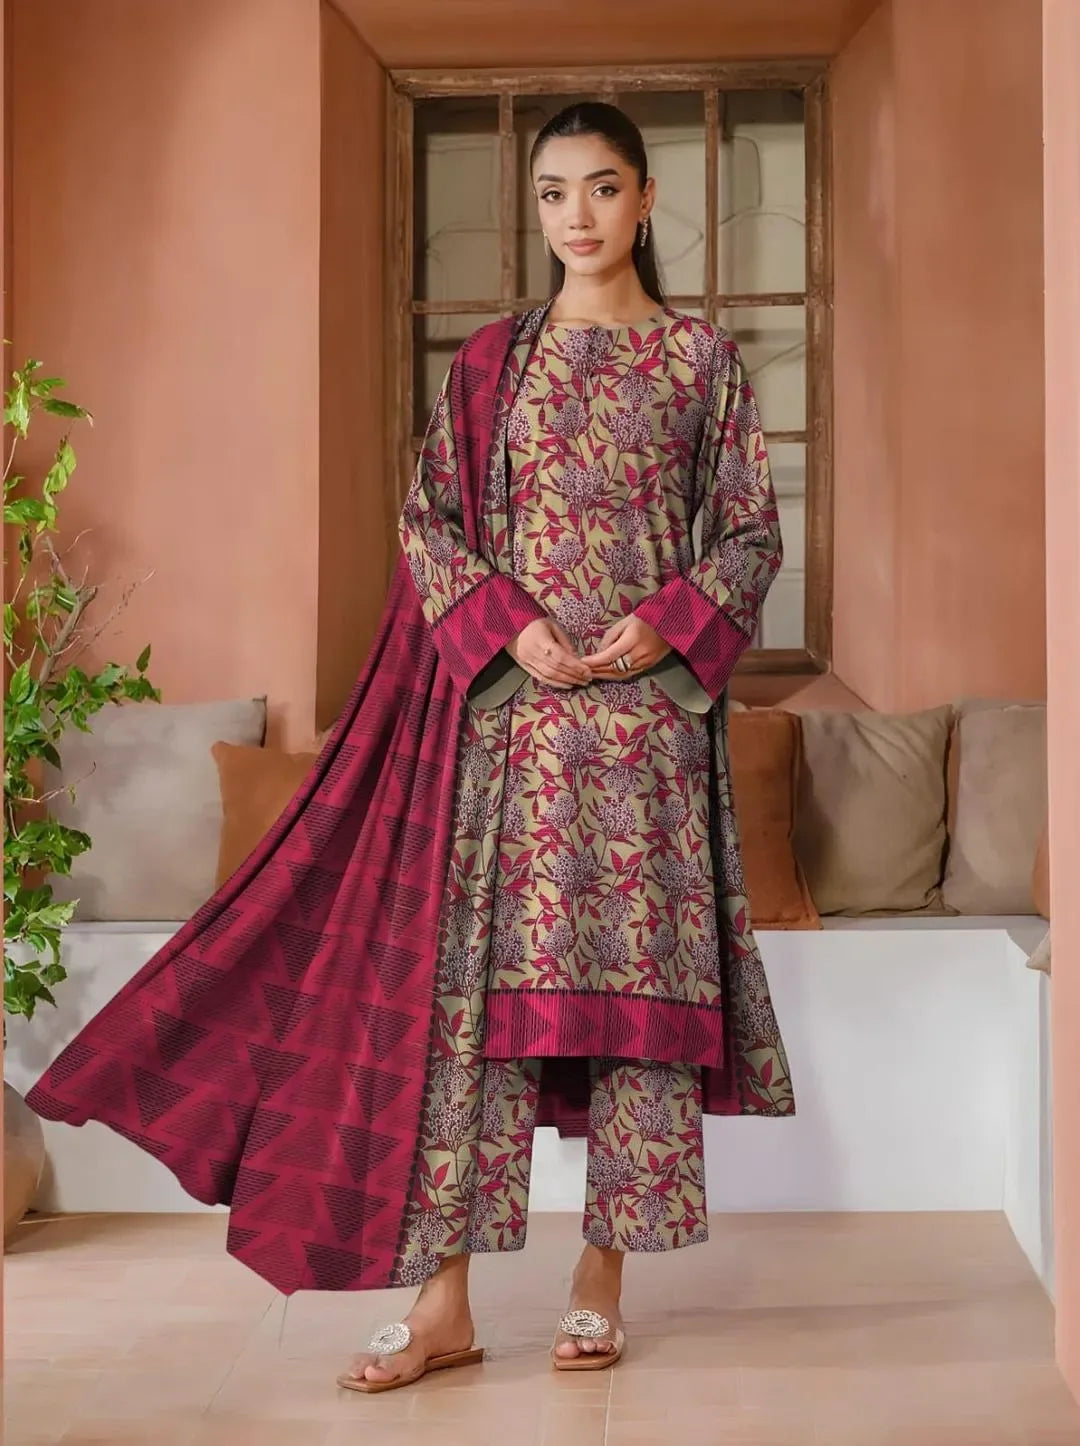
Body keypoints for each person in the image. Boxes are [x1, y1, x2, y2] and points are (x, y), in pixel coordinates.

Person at [25, 101, 794, 1396]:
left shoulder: (703, 366)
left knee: (635, 1028)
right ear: (538, 211)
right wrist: (513, 628)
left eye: (603, 189)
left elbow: (750, 537)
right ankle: (445, 1303)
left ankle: (598, 1282)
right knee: (471, 1032)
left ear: (647, 202)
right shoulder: (495, 364)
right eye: (555, 194)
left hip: (649, 749)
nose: (580, 217)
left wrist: (663, 628)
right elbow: (431, 524)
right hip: (507, 738)